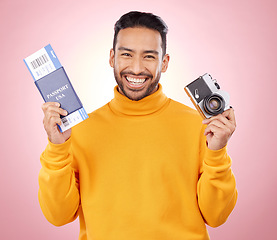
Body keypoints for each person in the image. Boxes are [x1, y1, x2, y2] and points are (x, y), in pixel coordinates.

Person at [39, 11, 237, 240]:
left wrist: (217, 152)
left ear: (164, 63)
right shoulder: (78, 131)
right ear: (112, 58)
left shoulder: (200, 126)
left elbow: (217, 216)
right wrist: (56, 149)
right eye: (126, 54)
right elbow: (58, 215)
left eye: (149, 57)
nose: (136, 68)